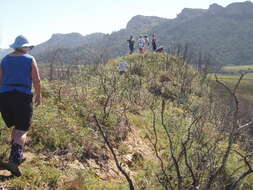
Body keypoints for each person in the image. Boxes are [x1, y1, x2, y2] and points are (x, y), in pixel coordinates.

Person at [0, 35, 41, 176]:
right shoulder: (29, 59)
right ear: (23, 47)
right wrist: (39, 95)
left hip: (4, 97)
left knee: (16, 127)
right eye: (28, 47)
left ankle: (18, 154)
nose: (29, 49)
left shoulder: (5, 59)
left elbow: (0, 79)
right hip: (22, 97)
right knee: (22, 131)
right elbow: (37, 80)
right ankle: (15, 160)